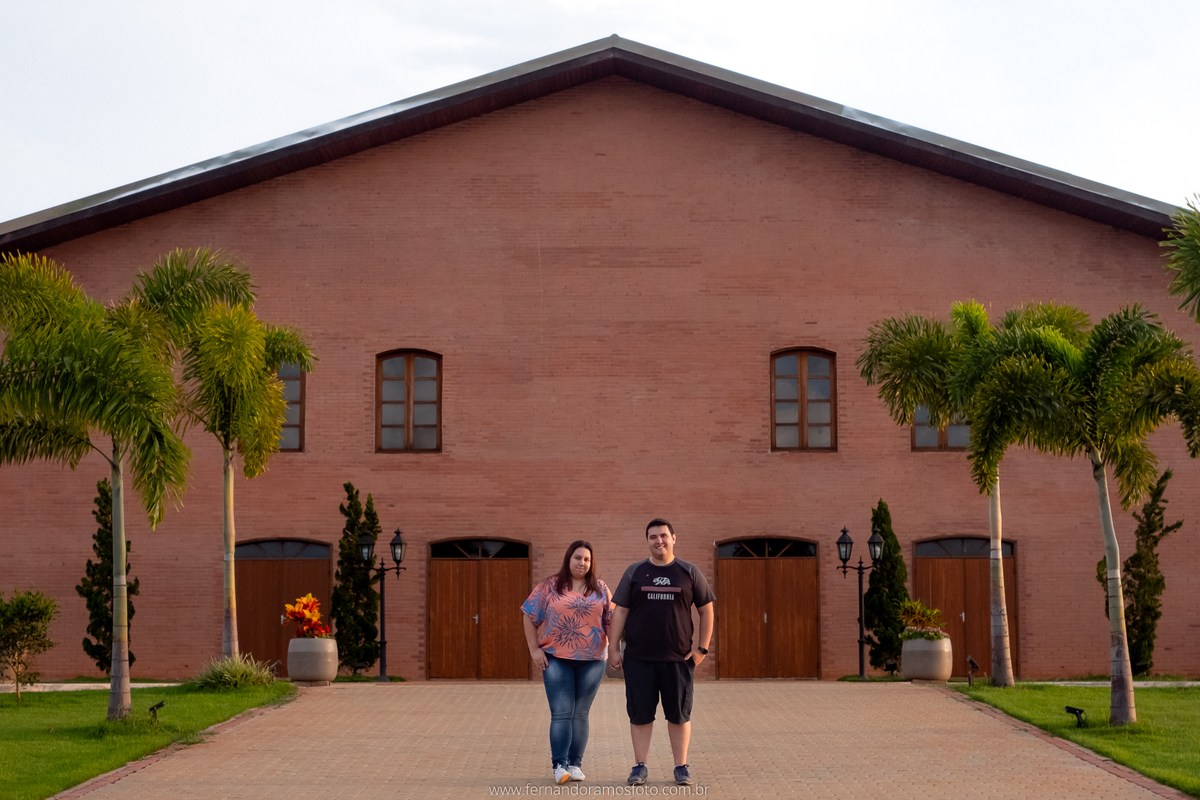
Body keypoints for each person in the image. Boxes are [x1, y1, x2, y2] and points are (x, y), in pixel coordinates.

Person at [608, 518, 714, 787]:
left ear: (674, 538)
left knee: (679, 714)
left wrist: (702, 648)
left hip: (678, 660)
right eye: (653, 537)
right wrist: (613, 649)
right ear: (647, 541)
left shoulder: (689, 572)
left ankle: (681, 767)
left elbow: (706, 609)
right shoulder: (635, 572)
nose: (659, 541)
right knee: (640, 714)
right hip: (638, 659)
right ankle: (640, 766)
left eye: (664, 536)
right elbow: (619, 611)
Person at [522, 540, 614, 785]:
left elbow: (612, 622)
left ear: (591, 563)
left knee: (581, 714)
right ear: (568, 559)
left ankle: (575, 764)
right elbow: (528, 615)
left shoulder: (601, 589)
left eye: (586, 559)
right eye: (577, 557)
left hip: (593, 660)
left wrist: (615, 651)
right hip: (556, 659)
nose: (581, 563)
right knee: (562, 713)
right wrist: (534, 650)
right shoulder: (550, 587)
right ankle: (559, 765)